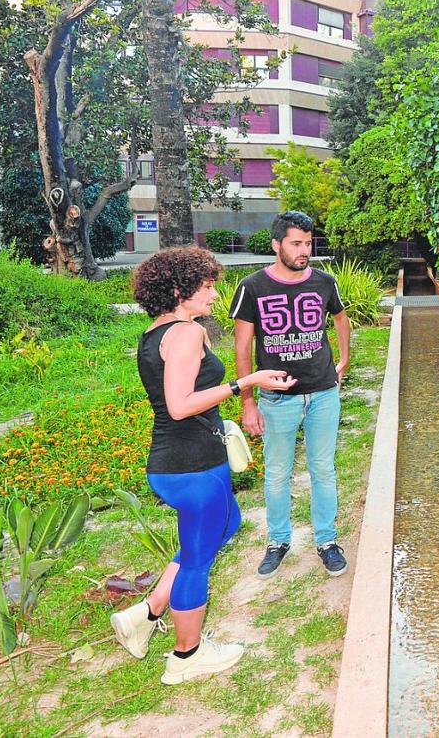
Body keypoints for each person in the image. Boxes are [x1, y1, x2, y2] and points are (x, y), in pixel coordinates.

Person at [111, 246, 296, 684]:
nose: (215, 294)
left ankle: (150, 611)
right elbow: (179, 405)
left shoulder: (160, 331)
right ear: (179, 289)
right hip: (188, 463)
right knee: (196, 559)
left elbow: (188, 398)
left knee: (225, 526)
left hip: (191, 457)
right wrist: (244, 383)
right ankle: (186, 655)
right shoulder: (187, 334)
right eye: (208, 286)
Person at [228, 211, 351, 579]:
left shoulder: (324, 282)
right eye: (296, 243)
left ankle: (327, 541)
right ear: (276, 244)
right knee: (278, 473)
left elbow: (341, 318)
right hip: (277, 399)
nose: (304, 251)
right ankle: (278, 541)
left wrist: (343, 361)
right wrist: (248, 401)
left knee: (323, 469)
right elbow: (242, 348)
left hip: (323, 395)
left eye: (309, 243)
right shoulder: (253, 287)